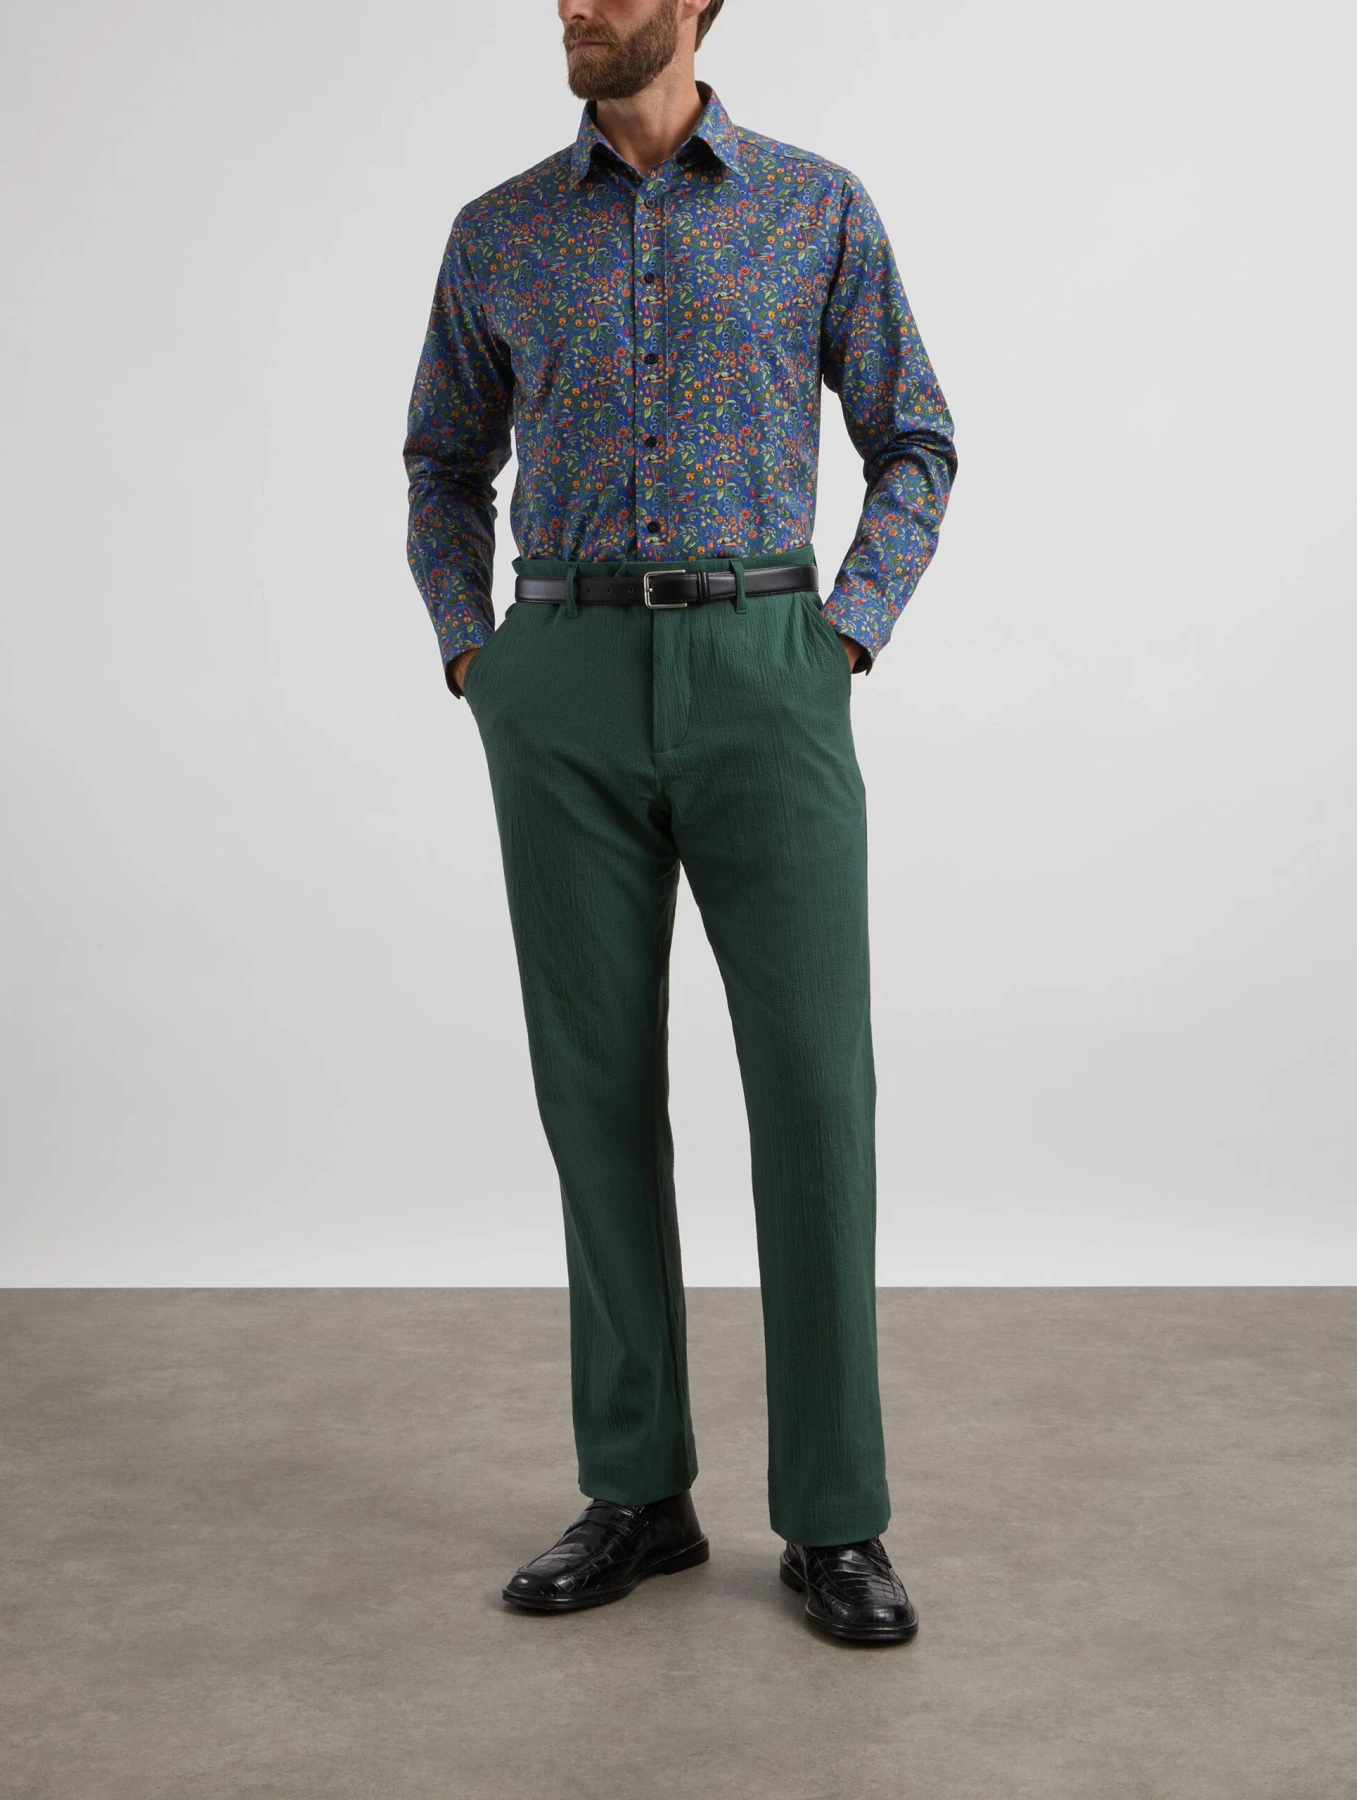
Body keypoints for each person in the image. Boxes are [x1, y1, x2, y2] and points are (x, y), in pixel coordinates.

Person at [403, 0, 956, 1645]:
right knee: (592, 1090)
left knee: (814, 1092)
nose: (574, 4)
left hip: (766, 668)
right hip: (561, 678)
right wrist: (477, 654)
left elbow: (916, 437)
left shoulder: (814, 207)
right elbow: (441, 463)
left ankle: (835, 1515)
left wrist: (844, 631)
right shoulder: (498, 233)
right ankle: (637, 1490)